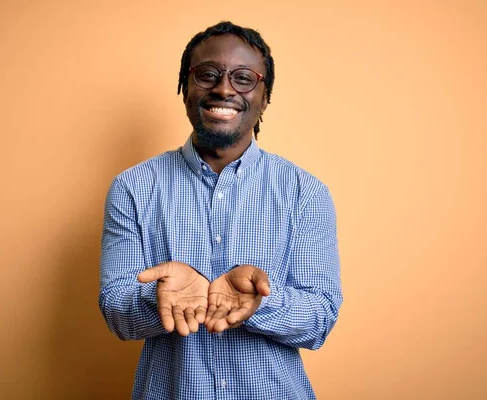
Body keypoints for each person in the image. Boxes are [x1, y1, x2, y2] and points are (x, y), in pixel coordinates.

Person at [99, 20, 342, 400]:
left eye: (243, 78)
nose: (224, 88)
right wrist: (160, 295)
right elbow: (116, 311)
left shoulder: (305, 192)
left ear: (265, 97)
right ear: (184, 88)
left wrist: (263, 301)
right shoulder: (132, 187)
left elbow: (320, 319)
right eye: (208, 74)